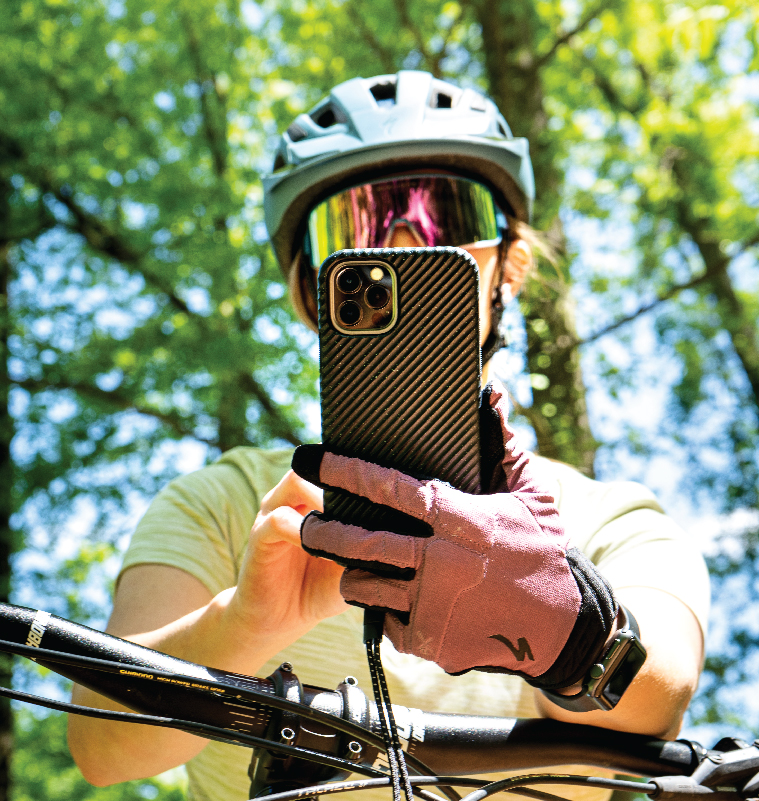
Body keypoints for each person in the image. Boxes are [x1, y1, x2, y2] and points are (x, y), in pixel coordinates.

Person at [67, 71, 709, 801]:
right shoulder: (223, 504)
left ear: (511, 266)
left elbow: (660, 699)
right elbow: (102, 742)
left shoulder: (610, 519)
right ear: (312, 292)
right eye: (355, 223)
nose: (402, 240)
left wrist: (564, 620)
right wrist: (245, 623)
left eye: (443, 210)